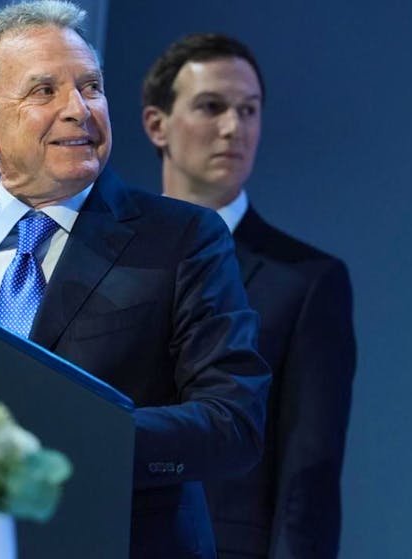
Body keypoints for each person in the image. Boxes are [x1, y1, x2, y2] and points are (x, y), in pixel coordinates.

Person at [0, 3, 271, 557]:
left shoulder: (182, 238)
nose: (79, 109)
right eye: (44, 91)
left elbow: (232, 420)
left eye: (91, 87)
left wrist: (71, 440)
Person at [141, 33, 357, 559]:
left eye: (249, 110)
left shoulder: (306, 281)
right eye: (211, 106)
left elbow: (308, 475)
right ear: (157, 125)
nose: (233, 128)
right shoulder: (110, 256)